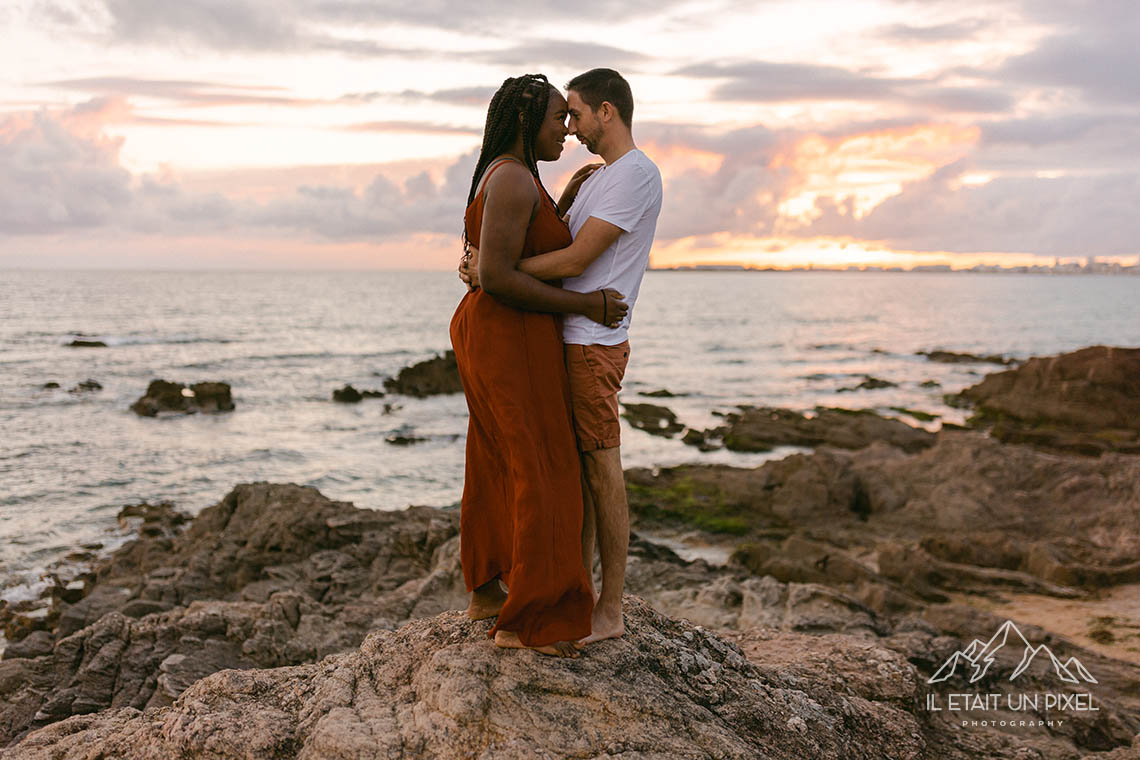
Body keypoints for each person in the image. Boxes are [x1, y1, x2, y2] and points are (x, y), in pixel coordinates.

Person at [461, 69, 663, 645]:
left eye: (574, 114)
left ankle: (607, 608)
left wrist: (490, 273)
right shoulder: (579, 180)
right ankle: (557, 595)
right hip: (552, 336)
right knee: (545, 470)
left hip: (590, 344)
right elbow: (530, 249)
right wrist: (488, 273)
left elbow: (573, 259)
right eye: (560, 117)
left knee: (593, 470)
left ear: (607, 110)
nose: (569, 129)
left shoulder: (635, 174)